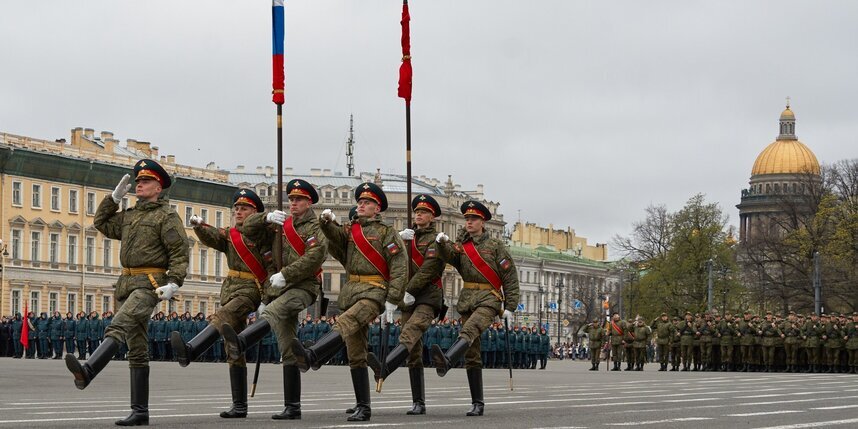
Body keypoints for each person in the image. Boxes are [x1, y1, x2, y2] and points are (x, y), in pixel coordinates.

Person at [64, 158, 188, 426]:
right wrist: (113, 199)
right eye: (138, 181)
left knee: (118, 325)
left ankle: (89, 370)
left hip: (149, 284)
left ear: (158, 188)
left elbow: (179, 252)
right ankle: (140, 411)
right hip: (126, 284)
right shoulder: (130, 215)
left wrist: (174, 282)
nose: (139, 184)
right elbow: (101, 223)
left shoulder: (166, 216)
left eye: (145, 181)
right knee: (137, 347)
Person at [292, 182, 406, 422]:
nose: (361, 205)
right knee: (356, 352)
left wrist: (393, 299)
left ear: (377, 208)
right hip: (352, 291)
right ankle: (363, 406)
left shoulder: (387, 232)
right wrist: (326, 222)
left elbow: (399, 266)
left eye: (367, 203)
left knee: (346, 321)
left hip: (374, 291)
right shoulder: (350, 230)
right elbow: (335, 239)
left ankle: (313, 355)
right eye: (360, 202)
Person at [221, 179, 326, 420]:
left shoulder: (315, 227)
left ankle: (242, 342)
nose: (293, 203)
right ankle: (293, 407)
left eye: (298, 199)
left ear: (309, 202)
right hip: (280, 287)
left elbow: (314, 257)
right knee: (288, 347)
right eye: (291, 199)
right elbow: (247, 228)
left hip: (304, 286)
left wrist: (286, 274)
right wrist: (266, 217)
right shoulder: (281, 224)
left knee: (273, 311)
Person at [170, 188, 271, 418]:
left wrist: (267, 298)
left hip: (251, 290)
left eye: (244, 208)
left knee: (222, 317)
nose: (238, 211)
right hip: (230, 290)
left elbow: (271, 265)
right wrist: (199, 226)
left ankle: (191, 350)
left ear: (255, 212)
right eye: (236, 208)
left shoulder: (263, 235)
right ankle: (239, 406)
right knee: (232, 347)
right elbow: (214, 237)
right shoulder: (231, 234)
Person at [431, 200, 520, 417]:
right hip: (468, 299)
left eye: (473, 219)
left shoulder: (496, 246)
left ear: (483, 222)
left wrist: (510, 306)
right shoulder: (463, 245)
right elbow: (450, 257)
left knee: (470, 329)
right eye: (467, 219)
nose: (469, 222)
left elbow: (509, 276)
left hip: (489, 299)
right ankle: (477, 402)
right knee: (472, 353)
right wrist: (441, 244)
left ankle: (448, 360)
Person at [367, 194, 445, 415]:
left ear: (432, 217)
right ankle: (418, 402)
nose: (419, 215)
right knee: (414, 352)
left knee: (410, 332)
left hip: (428, 297)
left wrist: (409, 289)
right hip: (407, 299)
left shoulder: (436, 240)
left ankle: (385, 367)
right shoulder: (406, 237)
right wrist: (399, 241)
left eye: (424, 212)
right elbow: (390, 262)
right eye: (417, 212)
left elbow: (429, 269)